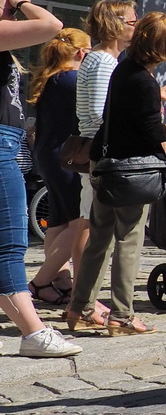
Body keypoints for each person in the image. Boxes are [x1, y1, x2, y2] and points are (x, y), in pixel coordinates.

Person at [70, 13, 166, 335]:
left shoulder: (124, 69)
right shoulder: (143, 81)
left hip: (104, 164)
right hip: (131, 172)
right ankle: (121, 315)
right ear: (160, 46)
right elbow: (154, 134)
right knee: (129, 241)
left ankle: (81, 307)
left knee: (100, 239)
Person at [0, 0, 81, 357]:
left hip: (10, 143)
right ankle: (33, 332)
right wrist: (21, 0)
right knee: (9, 242)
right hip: (1, 144)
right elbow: (52, 24)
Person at [27, 28, 91, 316]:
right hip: (67, 156)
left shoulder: (54, 78)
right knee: (78, 223)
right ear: (81, 53)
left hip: (50, 154)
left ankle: (59, 280)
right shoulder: (73, 79)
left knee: (58, 221)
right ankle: (40, 282)